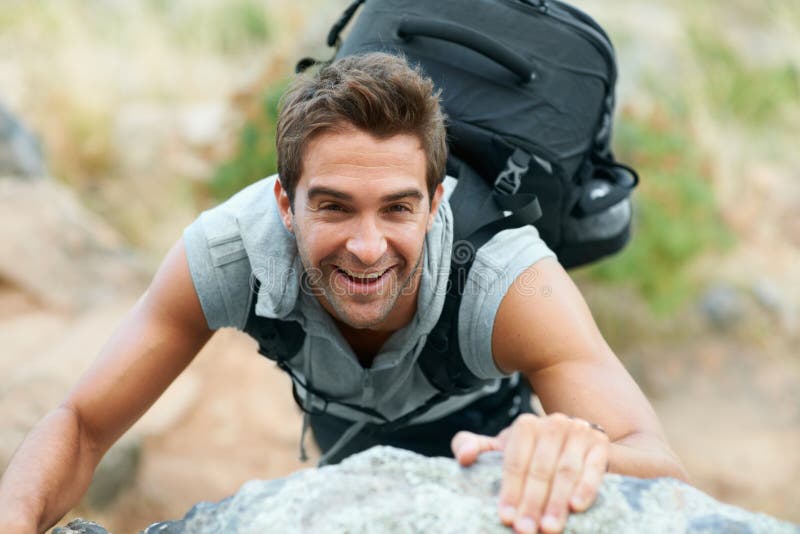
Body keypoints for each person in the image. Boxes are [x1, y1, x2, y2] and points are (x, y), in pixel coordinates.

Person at [0, 53, 687, 534]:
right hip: (341, 444)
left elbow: (659, 466)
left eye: (397, 208)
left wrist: (577, 450)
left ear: (435, 204)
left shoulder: (510, 283)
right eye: (333, 206)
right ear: (285, 203)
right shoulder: (230, 252)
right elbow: (82, 424)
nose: (366, 246)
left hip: (486, 452)